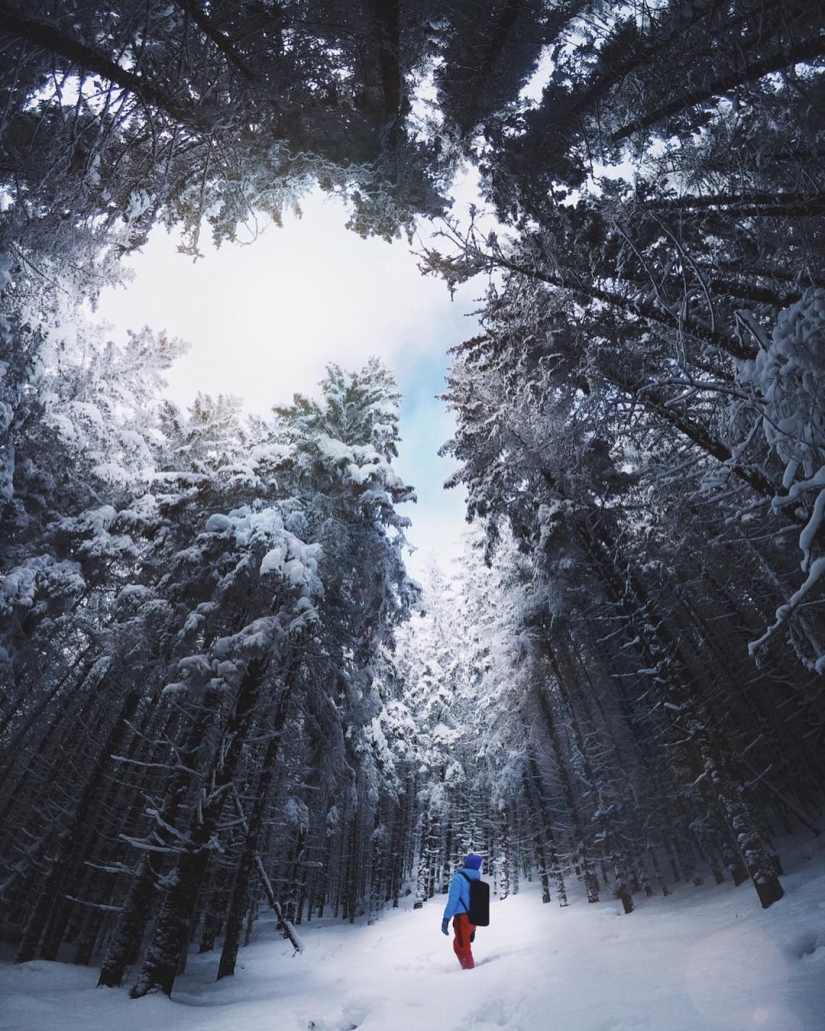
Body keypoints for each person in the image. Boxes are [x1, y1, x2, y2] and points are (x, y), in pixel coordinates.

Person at [441, 852, 482, 969]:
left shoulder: (458, 878)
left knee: (461, 947)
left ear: (466, 863)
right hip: (473, 918)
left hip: (462, 918)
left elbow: (453, 900)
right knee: (463, 945)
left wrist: (446, 919)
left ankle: (469, 973)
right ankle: (468, 969)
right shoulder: (477, 879)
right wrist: (474, 928)